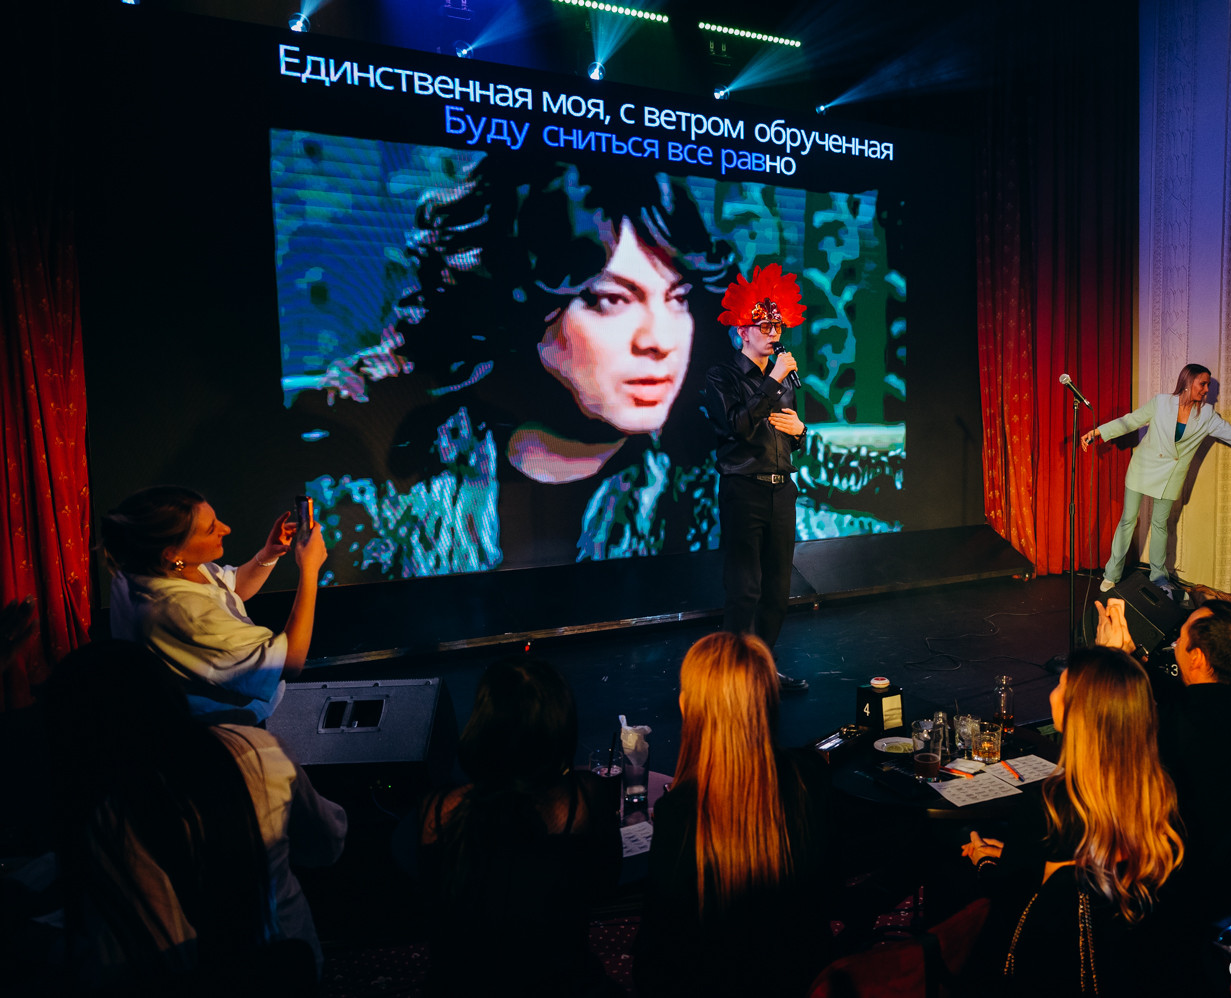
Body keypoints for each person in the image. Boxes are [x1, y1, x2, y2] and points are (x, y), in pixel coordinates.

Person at [307, 158, 735, 576]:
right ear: (522, 299)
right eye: (612, 299)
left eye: (678, 299)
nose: (659, 341)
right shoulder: (377, 468)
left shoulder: (712, 481)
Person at [42, 639, 345, 992]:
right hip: (294, 970)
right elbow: (328, 845)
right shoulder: (260, 748)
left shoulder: (106, 817)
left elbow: (154, 955)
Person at [960, 647, 1183, 995]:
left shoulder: (1050, 805)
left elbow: (1016, 897)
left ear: (1078, 711)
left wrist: (984, 861)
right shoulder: (1159, 793)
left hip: (1051, 971)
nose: (1053, 693)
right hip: (1132, 968)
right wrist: (1018, 856)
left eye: (1061, 685)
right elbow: (1083, 871)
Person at [636, 631, 831, 998]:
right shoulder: (809, 775)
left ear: (687, 706)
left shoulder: (678, 813)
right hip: (805, 981)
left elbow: (656, 953)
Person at [416, 658, 622, 995]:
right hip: (563, 985)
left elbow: (425, 903)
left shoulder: (437, 809)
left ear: (482, 724)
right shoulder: (585, 797)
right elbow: (606, 886)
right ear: (559, 726)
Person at [1097, 597, 1231, 912]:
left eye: (1181, 638)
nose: (1176, 643)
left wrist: (1107, 661)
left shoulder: (1165, 728)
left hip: (1178, 895)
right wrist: (1128, 655)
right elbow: (1188, 695)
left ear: (1198, 659)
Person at [102, 486, 326, 724]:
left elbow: (233, 588)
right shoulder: (184, 612)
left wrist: (268, 554)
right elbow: (289, 662)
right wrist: (309, 570)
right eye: (211, 529)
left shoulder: (156, 566)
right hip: (220, 729)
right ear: (172, 553)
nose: (226, 529)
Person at [1082, 364, 1231, 594]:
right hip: (1142, 469)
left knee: (1160, 525)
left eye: (1208, 385)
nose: (1207, 390)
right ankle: (1111, 575)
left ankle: (1158, 578)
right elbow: (1131, 421)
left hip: (1170, 476)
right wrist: (1098, 432)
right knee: (1127, 521)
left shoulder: (1207, 415)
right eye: (1203, 384)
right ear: (1188, 381)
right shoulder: (1161, 402)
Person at [704, 264, 809, 691]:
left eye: (777, 325)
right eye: (763, 325)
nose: (772, 332)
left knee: (777, 591)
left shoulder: (782, 381)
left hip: (781, 491)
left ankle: (762, 669)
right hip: (744, 489)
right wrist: (772, 381)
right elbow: (737, 428)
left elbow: (785, 437)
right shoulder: (723, 376)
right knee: (744, 589)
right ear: (742, 332)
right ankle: (732, 676)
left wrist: (801, 432)